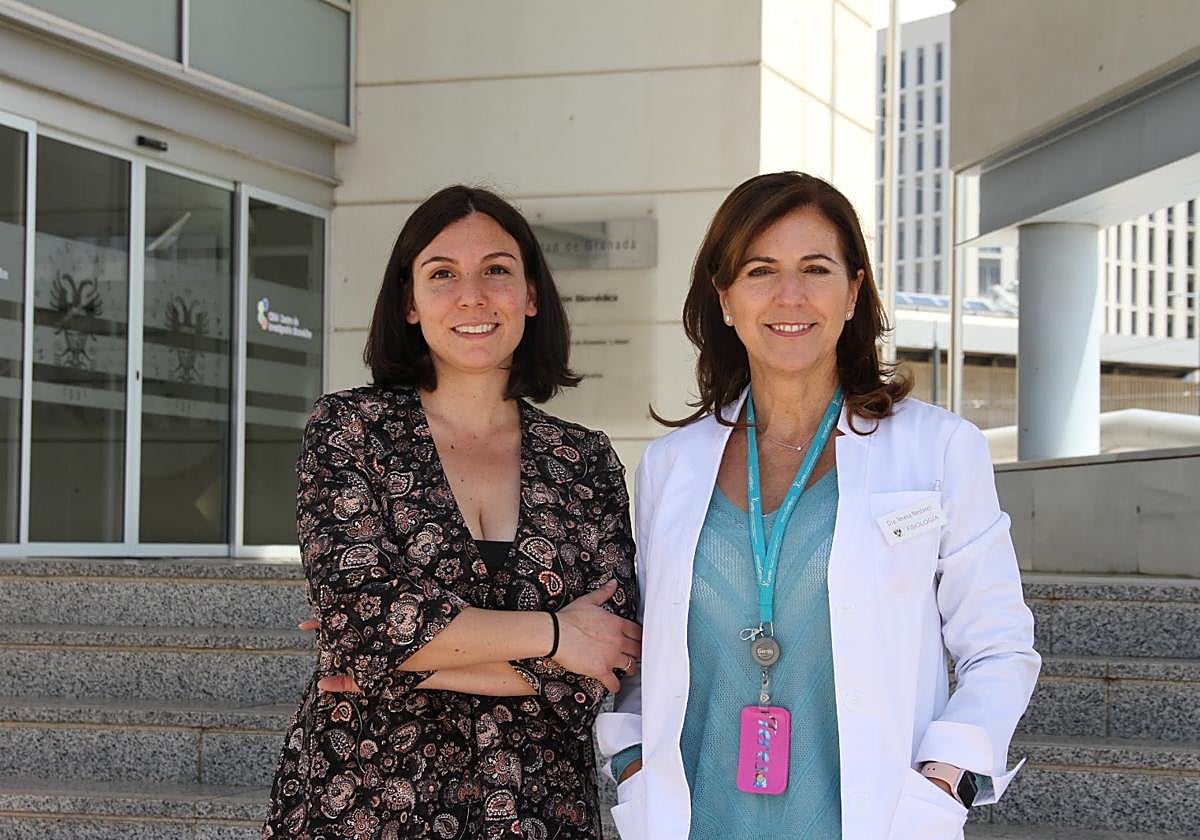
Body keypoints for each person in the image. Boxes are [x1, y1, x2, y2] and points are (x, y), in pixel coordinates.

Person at [596, 172, 1040, 840]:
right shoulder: (671, 464)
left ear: (854, 291)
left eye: (816, 268)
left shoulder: (939, 448)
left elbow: (1000, 645)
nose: (790, 296)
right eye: (760, 271)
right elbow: (642, 646)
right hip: (697, 817)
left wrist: (946, 779)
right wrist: (631, 760)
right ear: (724, 297)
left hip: (871, 819)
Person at [262, 185, 641, 840]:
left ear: (530, 295)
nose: (472, 296)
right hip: (367, 805)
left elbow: (606, 655)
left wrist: (396, 659)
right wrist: (556, 636)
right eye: (442, 274)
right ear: (409, 301)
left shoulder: (583, 459)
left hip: (537, 810)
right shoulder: (351, 429)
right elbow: (363, 616)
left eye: (496, 269)